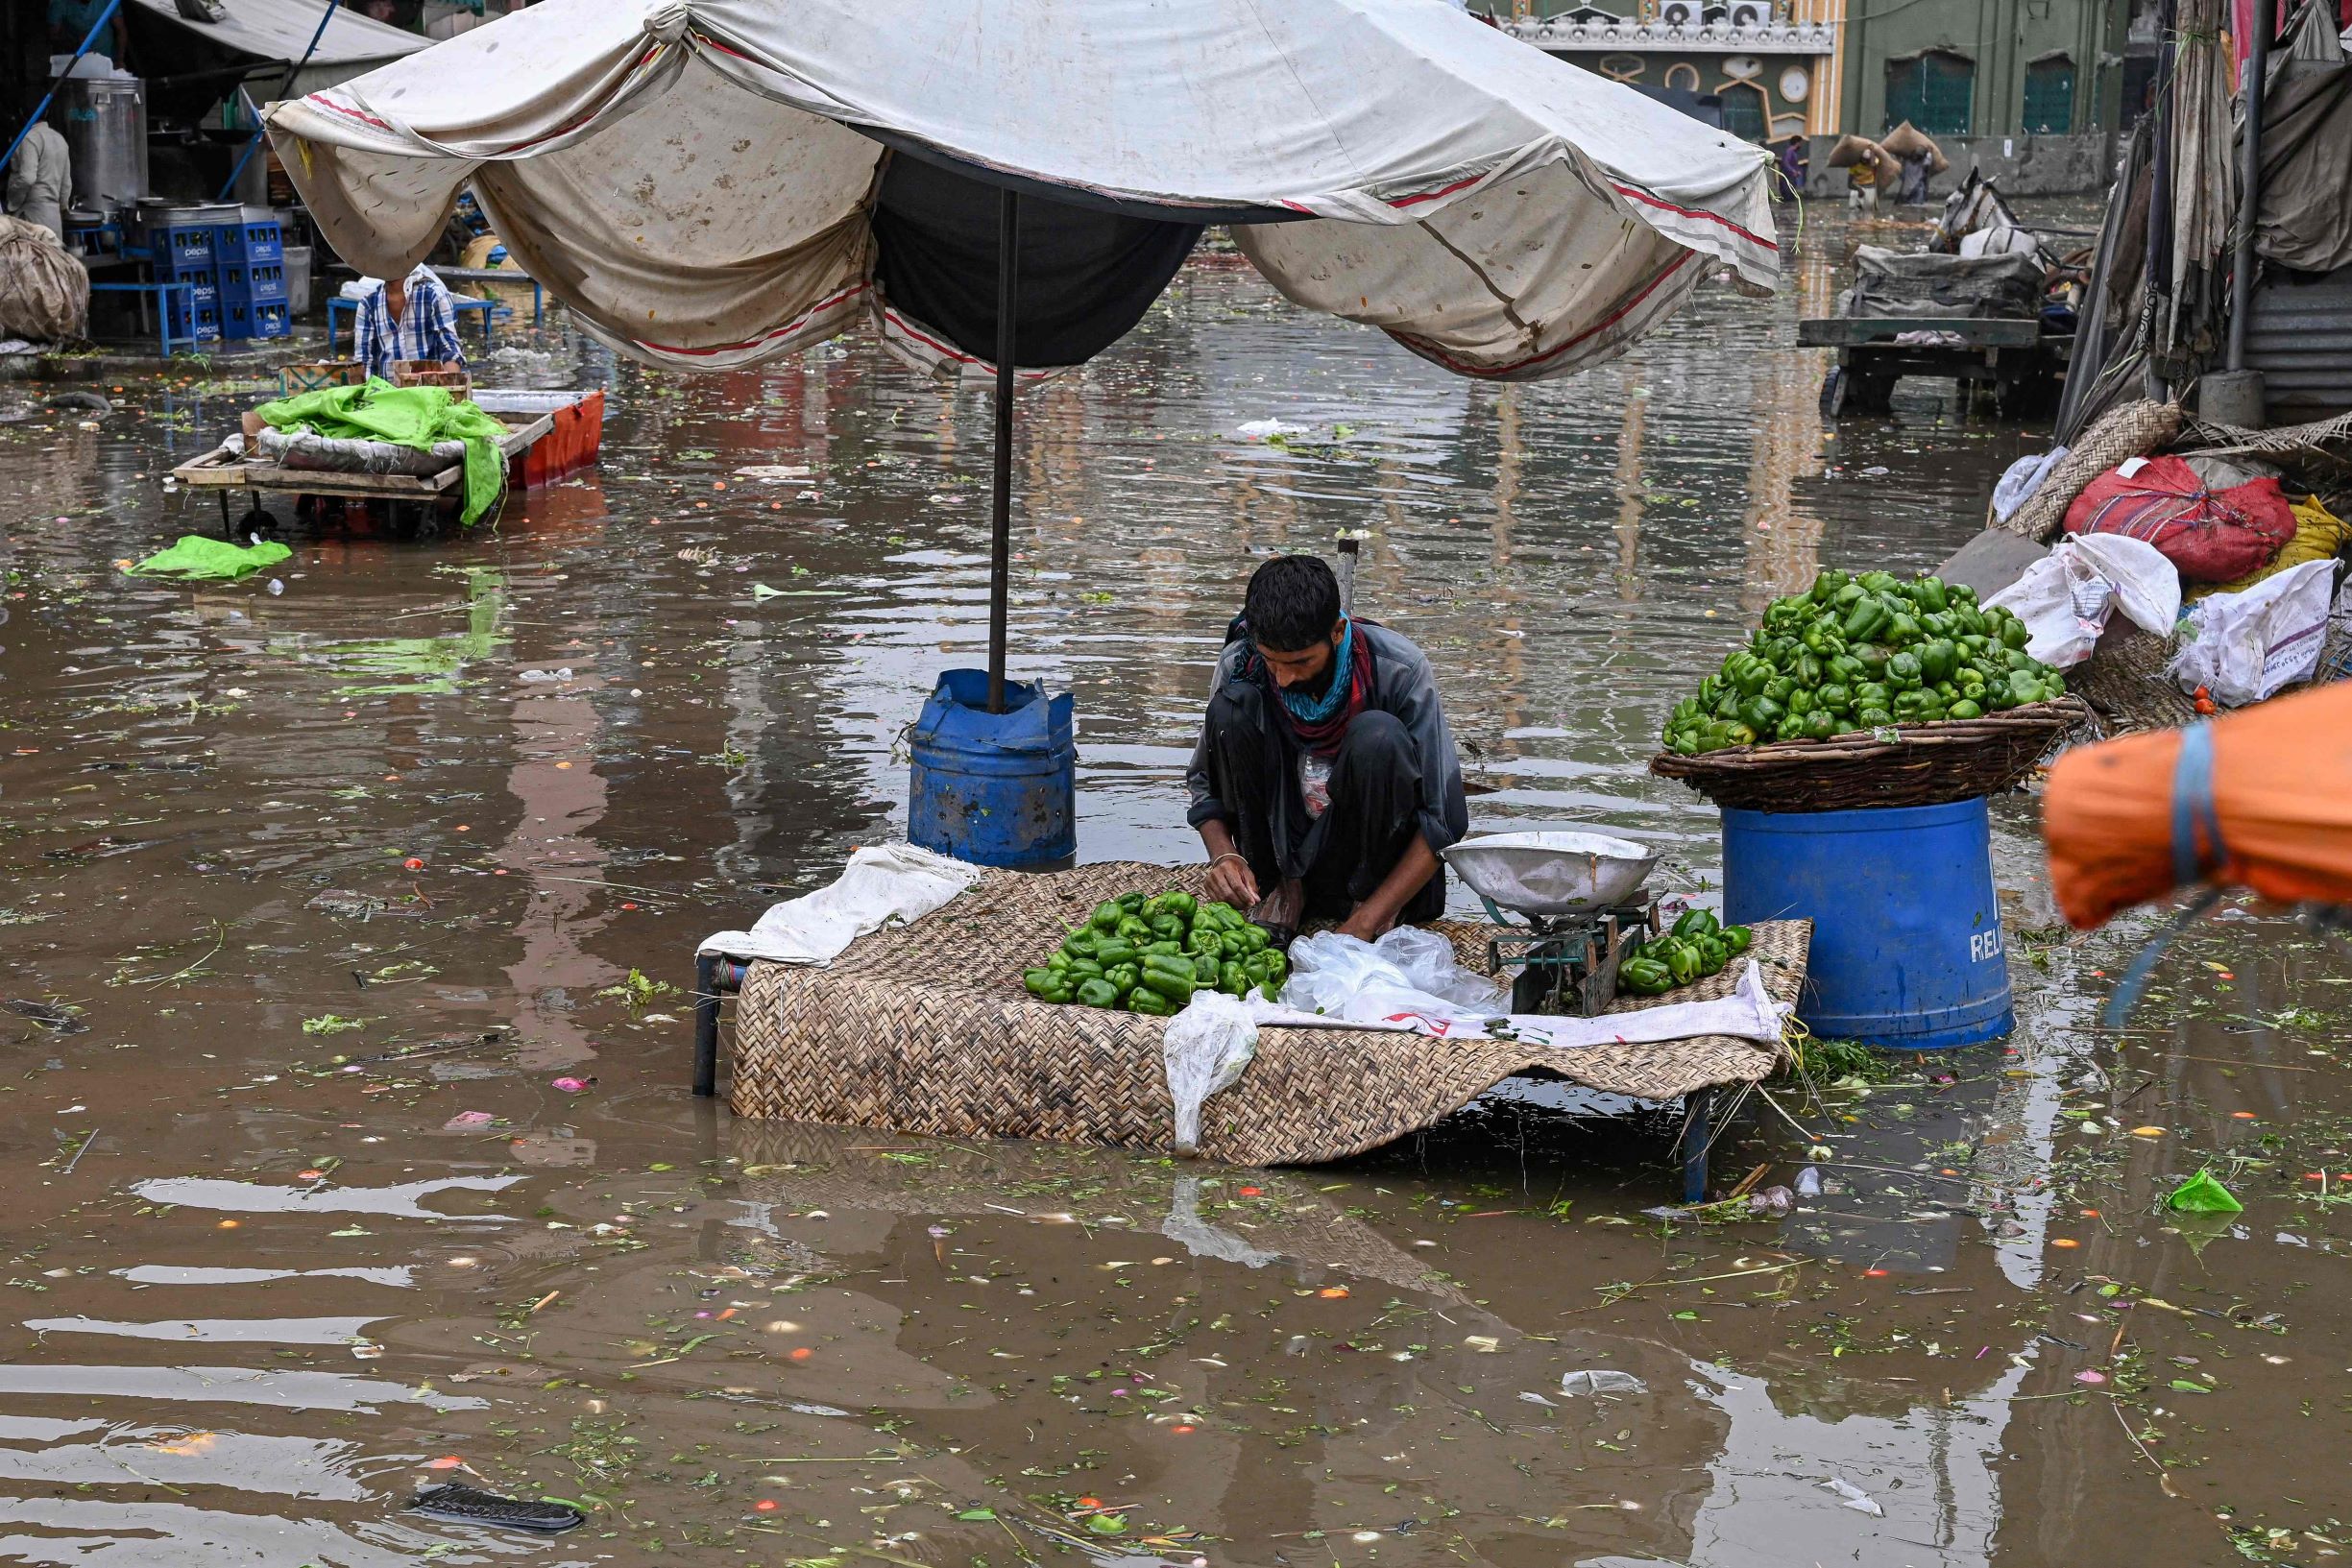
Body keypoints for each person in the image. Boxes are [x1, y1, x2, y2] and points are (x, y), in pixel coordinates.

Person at [1186, 555, 1467, 947]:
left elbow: (1444, 820)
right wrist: (1224, 856)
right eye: (1271, 661)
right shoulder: (1240, 662)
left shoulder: (1399, 669)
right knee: (1231, 710)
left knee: (1378, 736)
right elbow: (1203, 779)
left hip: (1371, 868)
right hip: (1282, 859)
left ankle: (1368, 903)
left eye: (1301, 662)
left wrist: (1366, 921)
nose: (1284, 678)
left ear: (1336, 632)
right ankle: (1283, 890)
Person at [352, 262, 464, 382]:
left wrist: (451, 387)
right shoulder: (368, 303)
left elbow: (450, 349)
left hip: (430, 389)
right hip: (387, 392)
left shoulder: (434, 295)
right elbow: (364, 362)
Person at [6, 103, 73, 241]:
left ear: (21, 113)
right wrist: (62, 208)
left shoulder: (30, 138)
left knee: (33, 261)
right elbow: (66, 184)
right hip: (54, 217)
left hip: (33, 217)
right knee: (54, 260)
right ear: (47, 112)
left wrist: (12, 202)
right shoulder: (60, 139)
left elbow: (27, 178)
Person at [47, 0, 129, 63]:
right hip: (75, 63)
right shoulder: (59, 3)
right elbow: (53, 36)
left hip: (107, 62)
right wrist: (73, 42)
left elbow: (121, 30)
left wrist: (120, 60)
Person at [1775, 134, 1808, 201]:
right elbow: (1786, 163)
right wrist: (1793, 171)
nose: (1801, 145)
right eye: (1800, 143)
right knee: (1788, 197)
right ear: (1797, 142)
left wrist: (1797, 171)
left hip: (1791, 178)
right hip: (1787, 178)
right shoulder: (1789, 151)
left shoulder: (1793, 152)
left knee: (1791, 196)